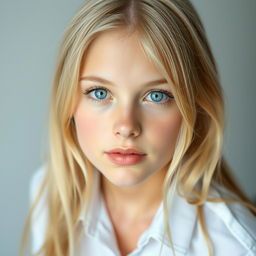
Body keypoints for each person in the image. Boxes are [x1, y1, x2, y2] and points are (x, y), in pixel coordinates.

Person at [20, 0, 256, 256]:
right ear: (67, 101)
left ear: (197, 104)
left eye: (156, 95)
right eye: (99, 93)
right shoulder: (49, 194)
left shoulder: (235, 245)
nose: (126, 127)